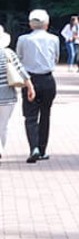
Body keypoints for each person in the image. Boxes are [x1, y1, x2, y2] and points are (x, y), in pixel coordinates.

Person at [15, 10, 59, 161]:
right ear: (47, 24)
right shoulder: (54, 39)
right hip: (48, 79)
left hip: (29, 80)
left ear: (30, 24)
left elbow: (18, 59)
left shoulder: (23, 39)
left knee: (30, 116)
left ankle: (33, 147)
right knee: (46, 115)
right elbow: (56, 58)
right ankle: (42, 149)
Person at [1, 25, 25, 162]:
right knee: (3, 126)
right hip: (8, 96)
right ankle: (0, 150)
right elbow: (21, 70)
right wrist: (30, 86)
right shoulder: (9, 53)